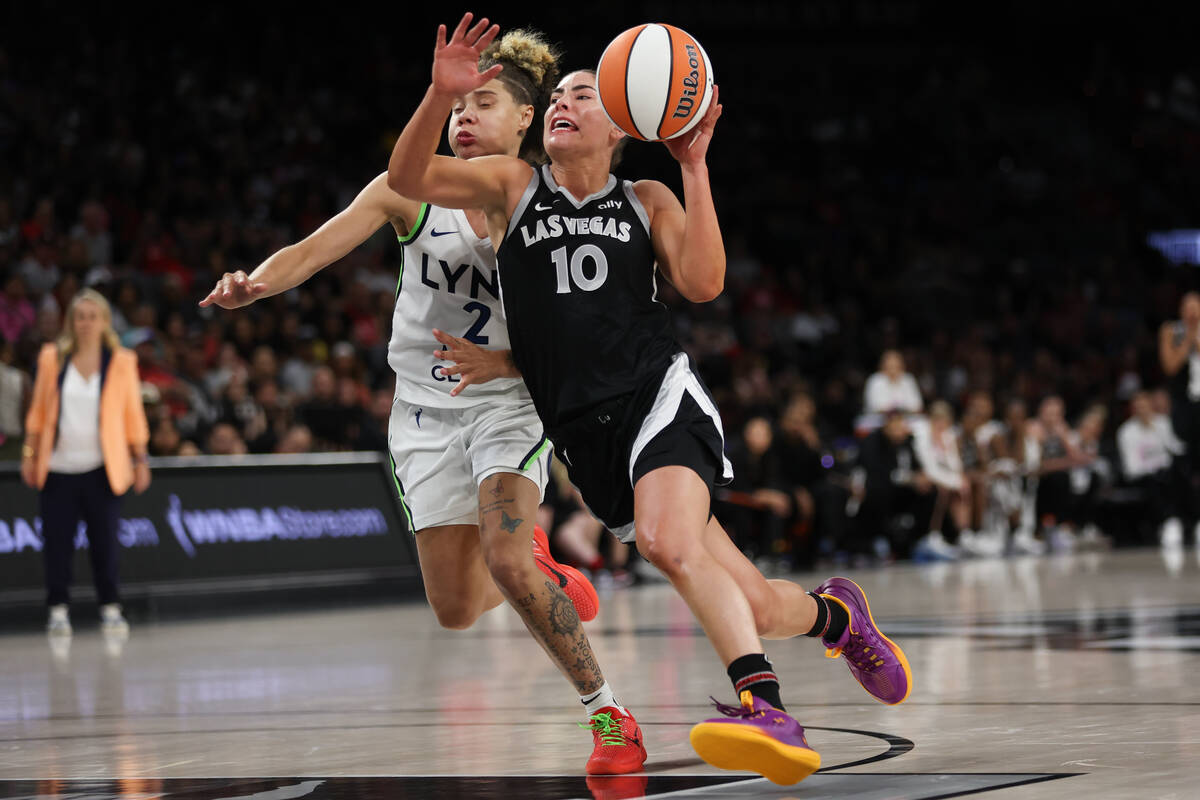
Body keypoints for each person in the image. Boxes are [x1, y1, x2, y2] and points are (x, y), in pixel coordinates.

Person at [388, 14, 911, 786]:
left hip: (657, 399)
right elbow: (407, 178)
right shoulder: (511, 186)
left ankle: (765, 705)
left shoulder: (647, 196)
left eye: (584, 95)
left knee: (669, 542)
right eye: (557, 95)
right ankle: (838, 616)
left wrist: (695, 168)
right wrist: (439, 97)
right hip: (584, 437)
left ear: (624, 123)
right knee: (756, 605)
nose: (564, 102)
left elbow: (703, 283)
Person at [198, 27, 645, 775]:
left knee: (504, 560)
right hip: (424, 410)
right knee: (456, 610)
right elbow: (312, 250)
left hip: (510, 400)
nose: (463, 117)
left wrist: (509, 364)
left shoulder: (542, 199)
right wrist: (255, 284)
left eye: (484, 102)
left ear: (525, 119)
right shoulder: (410, 193)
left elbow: (588, 323)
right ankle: (548, 571)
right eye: (456, 105)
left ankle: (608, 717)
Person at [20, 288, 151, 636]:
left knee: (105, 544)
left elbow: (132, 414)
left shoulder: (122, 361)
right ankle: (58, 609)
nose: (86, 322)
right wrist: (30, 454)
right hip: (58, 468)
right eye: (80, 316)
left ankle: (110, 607)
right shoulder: (52, 357)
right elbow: (38, 412)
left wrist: (140, 458)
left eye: (93, 316)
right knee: (57, 546)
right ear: (71, 322)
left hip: (102, 469)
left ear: (105, 321)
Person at [1159, 291, 1200, 543]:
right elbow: (1170, 366)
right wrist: (1188, 338)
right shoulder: (1171, 331)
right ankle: (1180, 519)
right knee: (1183, 463)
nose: (1192, 312)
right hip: (1184, 406)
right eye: (1187, 307)